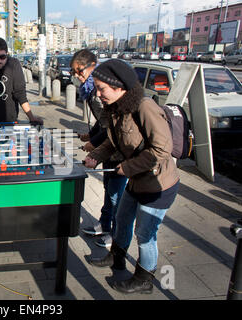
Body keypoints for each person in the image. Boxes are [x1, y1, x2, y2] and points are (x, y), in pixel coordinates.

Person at [83, 59, 180, 294]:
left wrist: (127, 167)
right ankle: (116, 258)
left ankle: (144, 279)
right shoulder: (116, 108)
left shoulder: (144, 107)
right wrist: (95, 155)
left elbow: (161, 149)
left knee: (145, 234)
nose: (98, 93)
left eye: (101, 88)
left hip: (159, 185)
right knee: (123, 221)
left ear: (119, 86)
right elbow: (113, 141)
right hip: (137, 181)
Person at [70, 50, 128, 249]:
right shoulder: (92, 90)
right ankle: (104, 224)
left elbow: (110, 127)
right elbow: (102, 122)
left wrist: (94, 144)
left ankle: (115, 233)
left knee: (116, 194)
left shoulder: (101, 90)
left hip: (121, 151)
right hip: (109, 148)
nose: (77, 76)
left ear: (93, 65)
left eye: (80, 71)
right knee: (108, 189)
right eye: (74, 72)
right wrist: (91, 138)